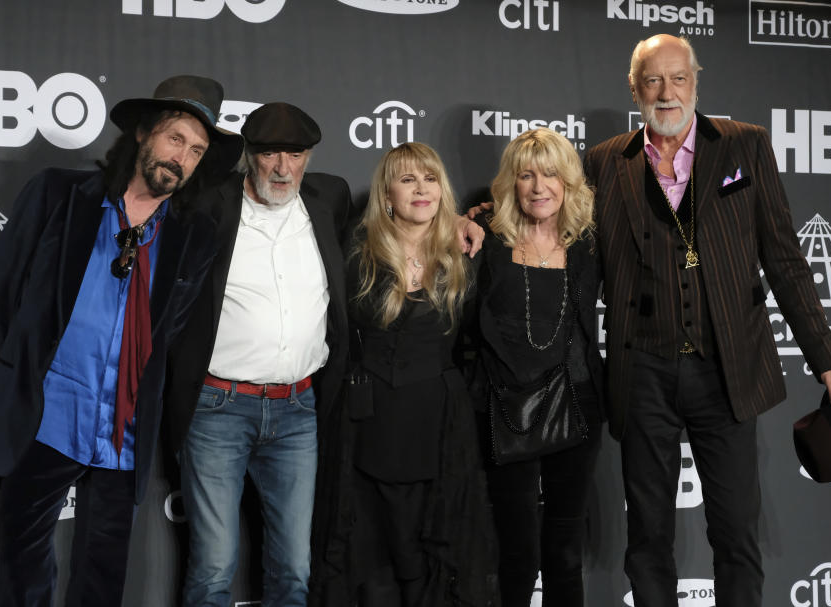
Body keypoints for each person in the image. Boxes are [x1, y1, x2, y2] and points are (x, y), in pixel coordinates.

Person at [582, 34, 831, 607]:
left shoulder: (746, 146)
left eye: (679, 78)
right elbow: (556, 232)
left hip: (728, 369)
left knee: (735, 536)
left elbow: (784, 258)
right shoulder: (605, 161)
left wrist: (825, 358)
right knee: (647, 538)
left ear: (696, 82)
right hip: (643, 371)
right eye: (653, 80)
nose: (667, 92)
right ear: (634, 88)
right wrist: (479, 218)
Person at [0, 75, 243, 607]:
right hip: (46, 414)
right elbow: (3, 296)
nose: (182, 158)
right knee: (22, 562)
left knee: (104, 571)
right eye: (175, 139)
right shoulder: (59, 194)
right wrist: (32, 369)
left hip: (124, 426)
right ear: (143, 133)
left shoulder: (195, 238)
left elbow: (176, 330)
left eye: (195, 151)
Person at [163, 102, 354, 607]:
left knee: (294, 567)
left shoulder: (329, 199)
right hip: (217, 408)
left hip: (298, 410)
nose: (282, 167)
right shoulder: (209, 204)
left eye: (295, 154)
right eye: (269, 153)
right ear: (248, 154)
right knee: (213, 566)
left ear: (309, 157)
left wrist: (474, 219)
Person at [310, 142, 499, 607]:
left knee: (429, 551)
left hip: (438, 426)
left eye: (431, 179)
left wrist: (464, 221)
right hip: (365, 426)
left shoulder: (466, 255)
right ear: (387, 193)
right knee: (370, 555)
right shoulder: (353, 251)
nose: (421, 189)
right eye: (408, 179)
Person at [467, 128, 604, 607]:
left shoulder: (588, 245)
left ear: (568, 183)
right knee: (517, 548)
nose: (539, 186)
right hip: (506, 405)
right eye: (526, 175)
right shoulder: (486, 240)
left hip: (578, 400)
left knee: (565, 549)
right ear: (511, 183)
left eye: (550, 174)